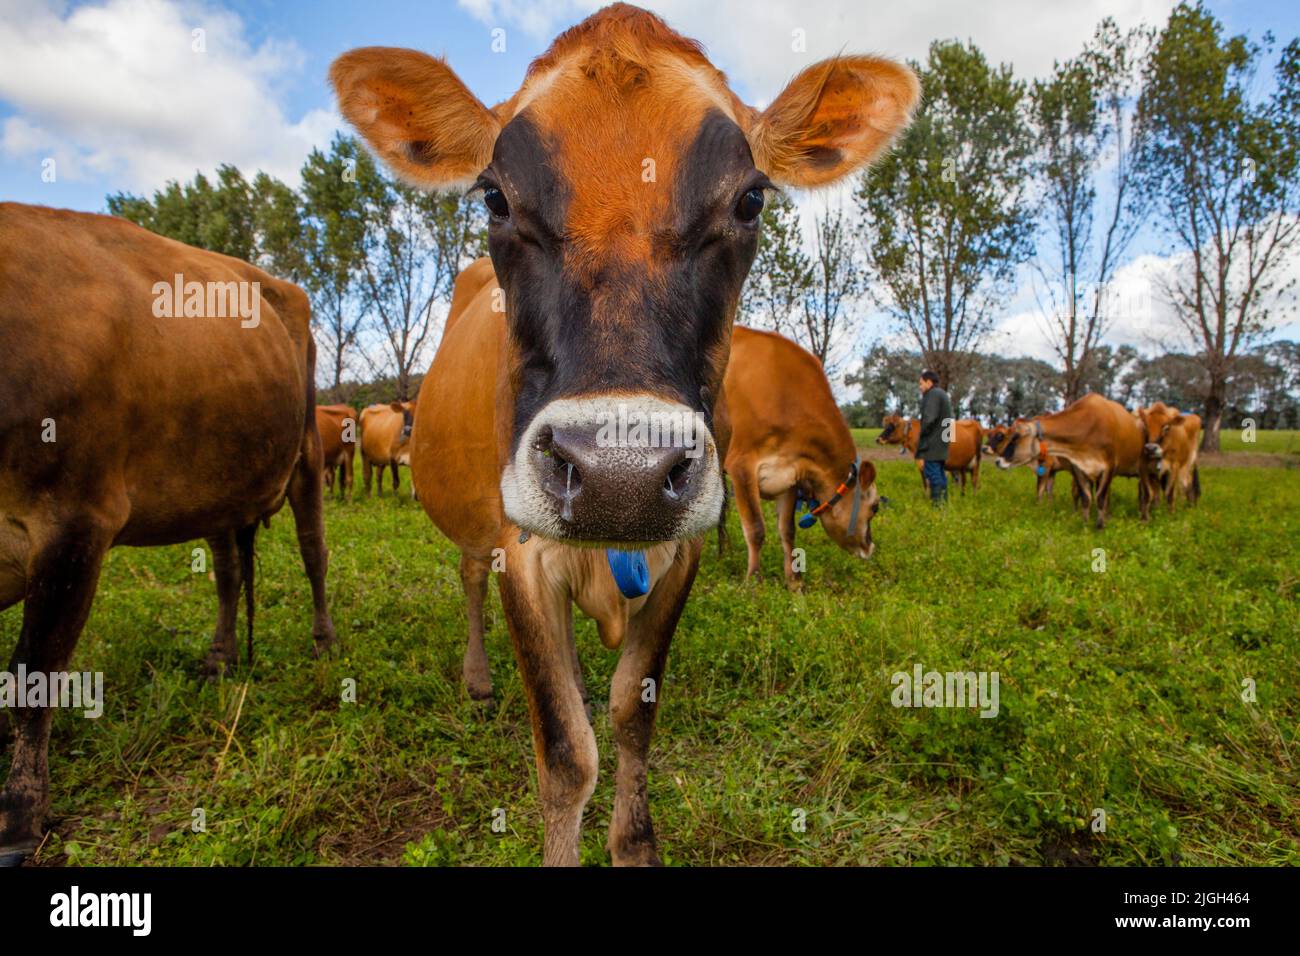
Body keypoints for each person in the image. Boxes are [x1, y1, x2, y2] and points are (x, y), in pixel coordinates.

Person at [916, 370, 953, 505]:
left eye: (921, 383)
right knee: (940, 473)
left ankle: (937, 504)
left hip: (933, 443)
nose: (920, 387)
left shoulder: (933, 394)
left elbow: (929, 418)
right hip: (942, 442)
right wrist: (946, 441)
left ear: (929, 382)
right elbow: (950, 421)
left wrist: (922, 435)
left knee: (933, 473)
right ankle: (943, 502)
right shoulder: (943, 394)